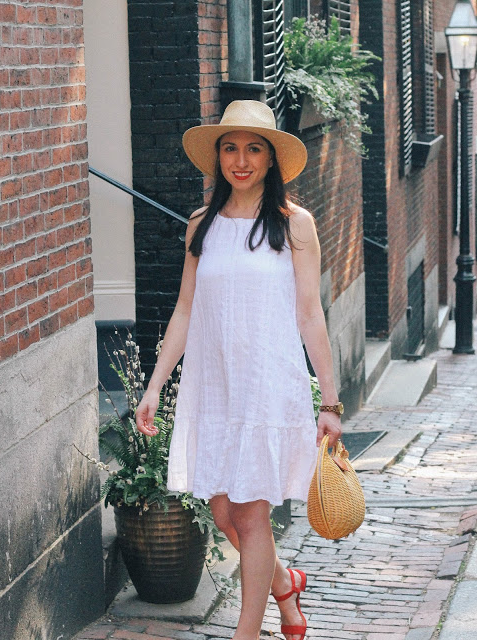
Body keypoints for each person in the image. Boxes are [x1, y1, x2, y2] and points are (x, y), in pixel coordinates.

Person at [136, 100, 343, 640]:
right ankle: (284, 584)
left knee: (250, 517)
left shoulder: (294, 224)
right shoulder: (201, 225)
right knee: (224, 513)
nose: (241, 160)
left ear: (272, 159)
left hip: (268, 386)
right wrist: (155, 385)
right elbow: (184, 310)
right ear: (218, 157)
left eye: (254, 148)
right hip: (214, 388)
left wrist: (330, 402)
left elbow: (310, 313)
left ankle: (245, 634)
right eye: (231, 148)